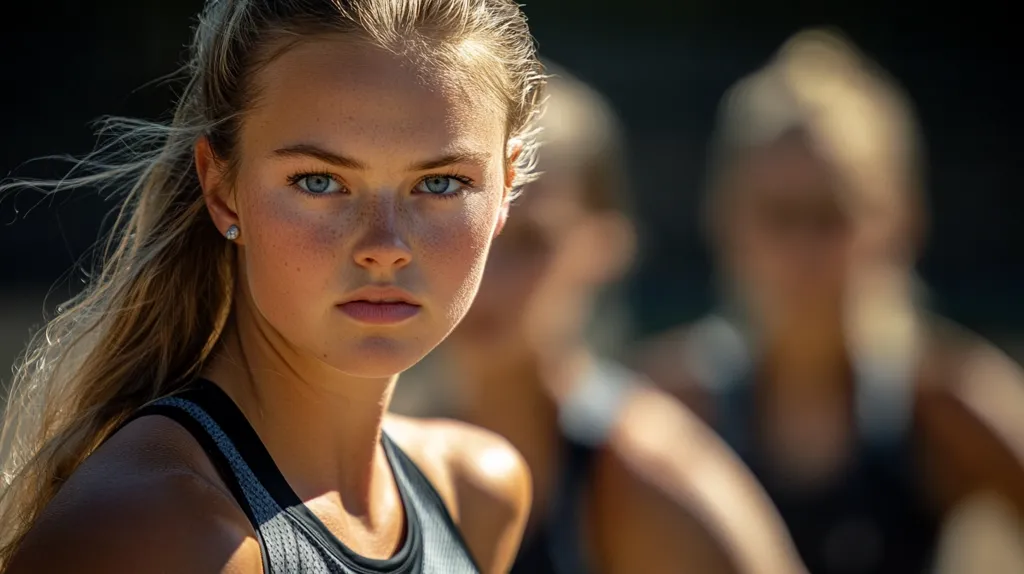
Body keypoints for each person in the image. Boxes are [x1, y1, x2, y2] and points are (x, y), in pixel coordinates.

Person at [0, 1, 548, 572]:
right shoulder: (159, 532)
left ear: (506, 188)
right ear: (222, 190)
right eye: (319, 181)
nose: (384, 245)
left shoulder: (477, 493)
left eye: (439, 182)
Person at [635, 29, 1024, 574]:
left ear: (899, 220)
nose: (803, 250)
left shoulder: (947, 406)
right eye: (779, 214)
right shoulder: (669, 413)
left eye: (831, 216)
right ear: (726, 219)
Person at [436, 61, 806, 574]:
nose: (486, 276)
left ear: (604, 248)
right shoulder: (385, 443)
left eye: (530, 242)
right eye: (468, 228)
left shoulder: (651, 476)